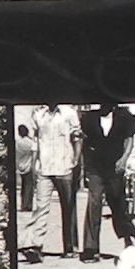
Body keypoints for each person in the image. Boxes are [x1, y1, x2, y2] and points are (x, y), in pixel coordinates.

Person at [80, 104, 135, 256]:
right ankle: (90, 247)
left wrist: (124, 159)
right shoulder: (90, 118)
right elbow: (84, 142)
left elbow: (129, 140)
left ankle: (127, 238)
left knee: (117, 203)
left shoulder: (123, 117)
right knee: (94, 203)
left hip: (115, 167)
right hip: (96, 167)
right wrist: (86, 164)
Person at [29, 106, 83, 257]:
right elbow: (35, 140)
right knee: (41, 207)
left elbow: (77, 137)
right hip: (44, 167)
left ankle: (70, 247)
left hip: (64, 166)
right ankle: (36, 245)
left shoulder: (69, 112)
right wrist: (33, 164)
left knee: (68, 208)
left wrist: (76, 159)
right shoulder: (38, 114)